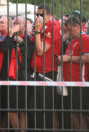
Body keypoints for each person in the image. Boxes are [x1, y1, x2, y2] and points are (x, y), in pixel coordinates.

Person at [57, 16, 89, 130]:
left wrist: (68, 58)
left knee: (79, 114)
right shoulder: (72, 40)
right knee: (73, 113)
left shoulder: (85, 39)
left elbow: (88, 58)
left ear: (77, 26)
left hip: (79, 83)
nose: (67, 33)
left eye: (69, 30)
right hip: (69, 83)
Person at [0, 16, 34, 132]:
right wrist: (10, 35)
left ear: (24, 26)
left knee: (23, 111)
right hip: (10, 78)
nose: (16, 25)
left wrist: (22, 43)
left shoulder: (29, 40)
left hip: (24, 77)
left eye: (18, 23)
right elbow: (3, 48)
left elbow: (30, 57)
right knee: (11, 111)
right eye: (14, 23)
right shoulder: (9, 38)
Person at [30, 3, 62, 131]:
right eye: (37, 14)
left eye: (41, 15)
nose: (38, 17)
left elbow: (40, 50)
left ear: (49, 15)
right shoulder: (42, 26)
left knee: (44, 110)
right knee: (35, 109)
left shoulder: (52, 27)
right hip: (37, 72)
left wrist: (37, 31)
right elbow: (32, 42)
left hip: (47, 73)